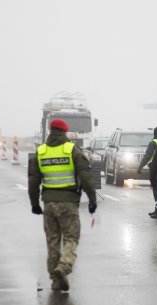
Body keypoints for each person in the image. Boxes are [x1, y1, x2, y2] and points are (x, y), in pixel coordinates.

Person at [28, 118, 97, 291]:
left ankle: (55, 279)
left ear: (50, 131)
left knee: (52, 241)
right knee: (71, 237)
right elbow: (86, 177)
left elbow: (33, 180)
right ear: (64, 132)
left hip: (49, 204)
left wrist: (34, 203)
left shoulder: (41, 151)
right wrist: (92, 199)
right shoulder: (71, 150)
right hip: (68, 203)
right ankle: (64, 266)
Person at [137, 126, 157, 218]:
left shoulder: (153, 143)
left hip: (156, 168)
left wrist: (140, 167)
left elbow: (147, 156)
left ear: (154, 133)